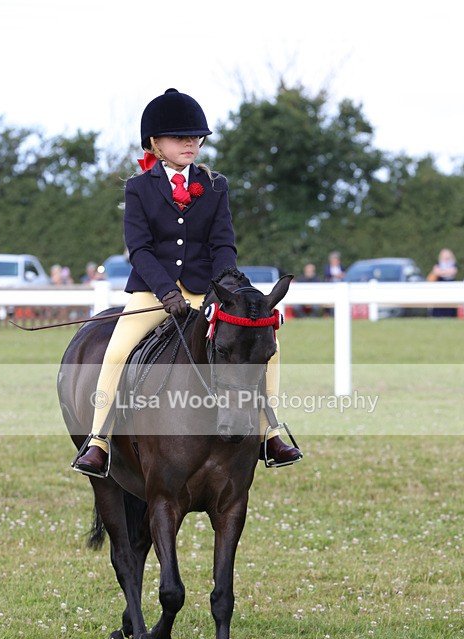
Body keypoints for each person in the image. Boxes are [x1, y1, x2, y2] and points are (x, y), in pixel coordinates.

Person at [74, 88, 302, 476]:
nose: (191, 143)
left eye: (195, 137)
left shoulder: (215, 185)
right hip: (152, 291)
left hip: (208, 292)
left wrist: (225, 285)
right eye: (181, 137)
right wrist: (166, 292)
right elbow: (140, 249)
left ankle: (270, 432)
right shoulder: (139, 187)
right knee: (116, 352)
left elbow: (223, 243)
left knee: (268, 346)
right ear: (155, 143)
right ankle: (98, 440)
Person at [427, 248, 458, 317]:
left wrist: (442, 272)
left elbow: (452, 272)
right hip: (440, 286)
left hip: (451, 286)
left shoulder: (453, 264)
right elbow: (436, 272)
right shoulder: (438, 263)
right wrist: (446, 272)